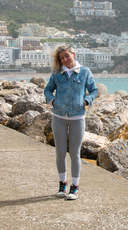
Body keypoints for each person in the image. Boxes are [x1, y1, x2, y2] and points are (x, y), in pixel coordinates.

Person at [44, 44, 98, 200]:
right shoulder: (57, 74)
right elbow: (48, 89)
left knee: (75, 153)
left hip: (77, 118)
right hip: (58, 117)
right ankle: (62, 184)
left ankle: (74, 187)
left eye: (67, 56)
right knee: (60, 152)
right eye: (62, 58)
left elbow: (94, 90)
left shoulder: (85, 72)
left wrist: (87, 101)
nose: (65, 60)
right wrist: (52, 101)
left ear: (74, 54)